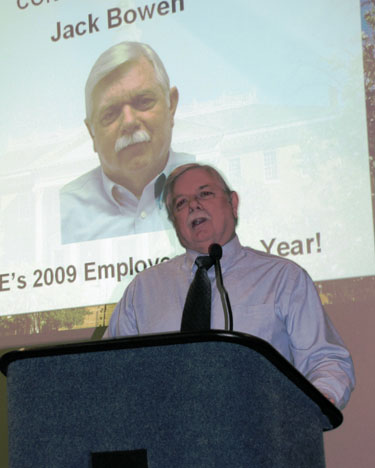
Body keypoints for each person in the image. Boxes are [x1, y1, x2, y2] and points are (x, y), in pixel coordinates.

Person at [105, 163, 355, 409]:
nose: (194, 205)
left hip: (264, 435)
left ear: (233, 203)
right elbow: (106, 370)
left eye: (205, 193)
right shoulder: (143, 289)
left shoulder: (283, 278)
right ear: (174, 221)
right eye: (181, 203)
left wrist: (316, 405)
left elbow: (325, 360)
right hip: (165, 441)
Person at [60, 41, 193, 244]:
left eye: (143, 102)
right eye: (110, 114)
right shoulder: (65, 210)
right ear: (92, 133)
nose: (129, 122)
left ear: (171, 105)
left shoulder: (212, 181)